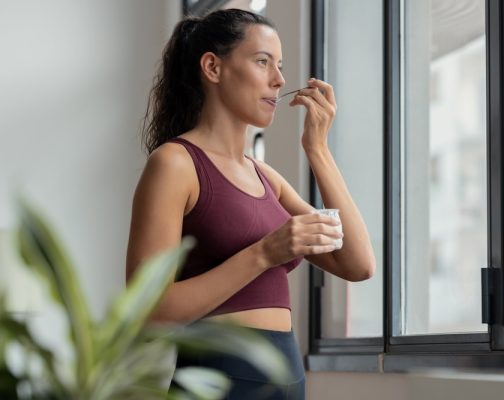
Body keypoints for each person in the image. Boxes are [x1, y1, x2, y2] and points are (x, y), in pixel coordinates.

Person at [125, 8, 376, 400]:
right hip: (218, 382)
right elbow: (149, 309)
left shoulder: (266, 177)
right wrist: (265, 253)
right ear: (213, 67)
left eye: (280, 66)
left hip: (288, 380)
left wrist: (318, 150)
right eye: (263, 62)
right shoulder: (175, 164)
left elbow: (358, 264)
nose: (279, 80)